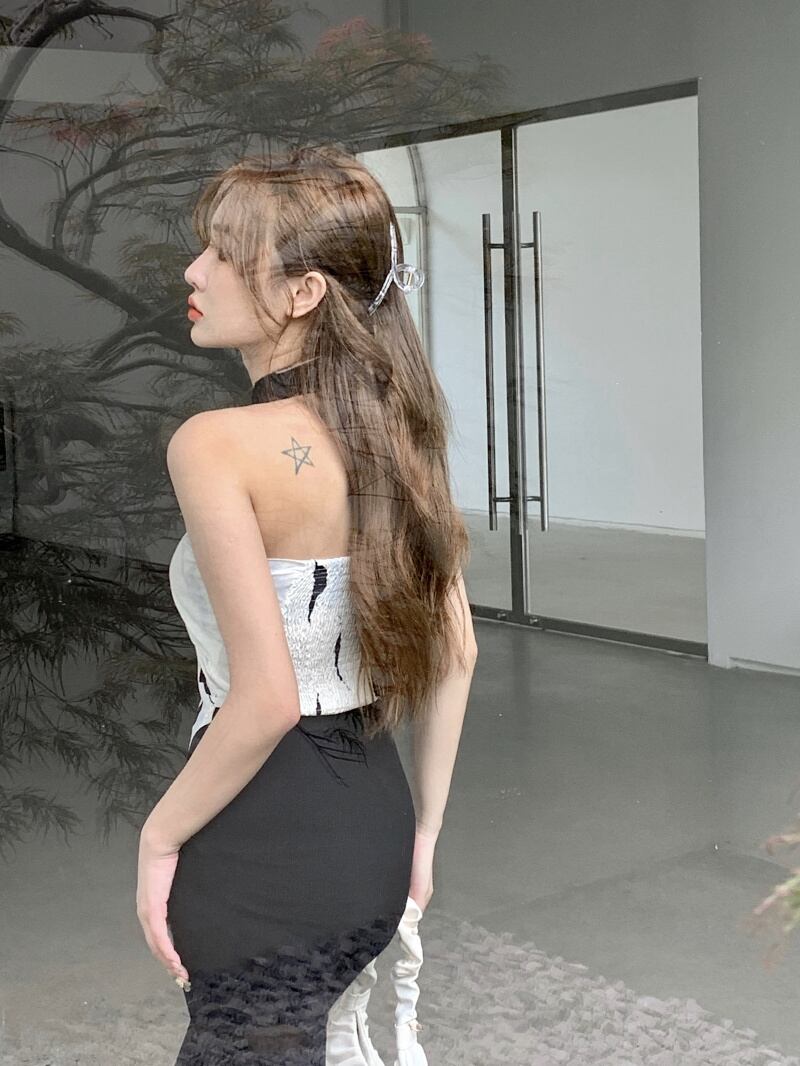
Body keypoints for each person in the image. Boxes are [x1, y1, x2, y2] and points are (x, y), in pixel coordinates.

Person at [136, 144, 479, 1066]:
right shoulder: (395, 431)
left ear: (303, 293)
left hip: (266, 842)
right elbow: (459, 654)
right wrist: (424, 836)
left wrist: (158, 838)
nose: (193, 271)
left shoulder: (215, 443)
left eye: (223, 252)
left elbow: (266, 701)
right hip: (374, 829)